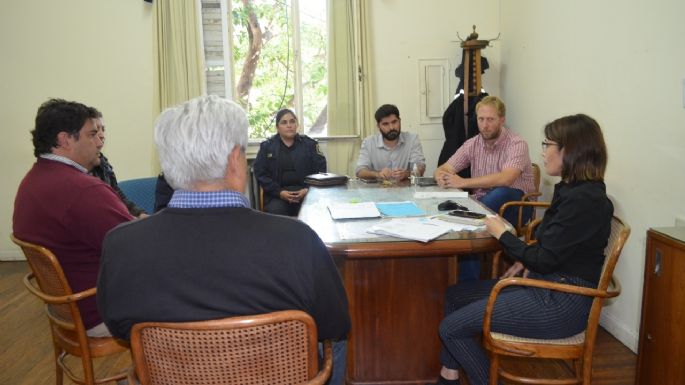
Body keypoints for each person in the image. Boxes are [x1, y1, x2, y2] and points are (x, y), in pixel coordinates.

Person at [97, 95, 351, 385]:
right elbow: (335, 323)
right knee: (337, 340)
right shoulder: (298, 240)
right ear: (235, 160)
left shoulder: (120, 245)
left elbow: (119, 328)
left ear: (168, 165)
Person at [430, 113, 613, 385]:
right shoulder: (572, 190)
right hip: (545, 284)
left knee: (450, 329)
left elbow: (545, 259)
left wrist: (503, 234)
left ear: (570, 150)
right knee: (455, 295)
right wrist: (527, 258)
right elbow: (554, 247)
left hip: (560, 303)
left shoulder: (585, 200)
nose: (543, 152)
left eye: (548, 144)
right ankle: (450, 374)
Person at [12, 98, 134, 337]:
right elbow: (137, 249)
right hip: (99, 308)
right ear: (65, 140)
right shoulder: (83, 190)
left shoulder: (33, 180)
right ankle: (164, 373)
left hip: (68, 307)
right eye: (91, 134)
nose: (99, 141)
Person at [435, 96, 535, 280]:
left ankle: (467, 283)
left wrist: (462, 183)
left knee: (499, 194)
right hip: (483, 205)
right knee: (472, 224)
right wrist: (443, 177)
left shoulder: (516, 143)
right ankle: (462, 285)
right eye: (481, 119)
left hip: (515, 206)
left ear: (502, 120)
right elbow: (443, 168)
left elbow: (506, 179)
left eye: (490, 120)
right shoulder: (472, 143)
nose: (485, 125)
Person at [253, 109, 326, 216]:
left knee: (315, 212)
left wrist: (307, 190)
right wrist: (279, 192)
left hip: (307, 194)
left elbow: (321, 170)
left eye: (292, 121)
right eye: (284, 122)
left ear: (297, 124)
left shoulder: (310, 145)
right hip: (277, 196)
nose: (289, 125)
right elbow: (260, 173)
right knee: (276, 213)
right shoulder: (267, 147)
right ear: (277, 127)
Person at [88, 108, 146, 217]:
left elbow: (117, 195)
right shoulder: (75, 173)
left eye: (103, 129)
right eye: (95, 131)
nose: (101, 135)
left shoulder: (102, 162)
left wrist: (140, 214)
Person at [355, 104, 426, 181]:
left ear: (400, 121)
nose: (391, 127)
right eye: (386, 124)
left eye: (394, 122)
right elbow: (360, 171)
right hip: (378, 191)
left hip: (405, 190)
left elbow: (420, 167)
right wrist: (378, 174)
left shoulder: (412, 139)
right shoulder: (368, 142)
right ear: (378, 126)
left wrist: (406, 174)